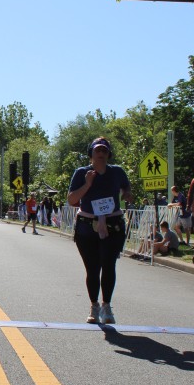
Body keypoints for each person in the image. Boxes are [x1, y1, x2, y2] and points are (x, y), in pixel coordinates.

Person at [67, 137, 134, 325]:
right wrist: (87, 184)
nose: (101, 153)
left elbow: (126, 187)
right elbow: (71, 200)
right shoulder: (82, 173)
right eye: (98, 150)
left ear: (108, 154)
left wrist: (127, 193)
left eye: (105, 150)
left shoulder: (117, 172)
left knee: (109, 265)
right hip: (87, 226)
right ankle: (94, 306)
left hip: (113, 224)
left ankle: (107, 306)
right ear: (91, 153)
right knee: (92, 268)